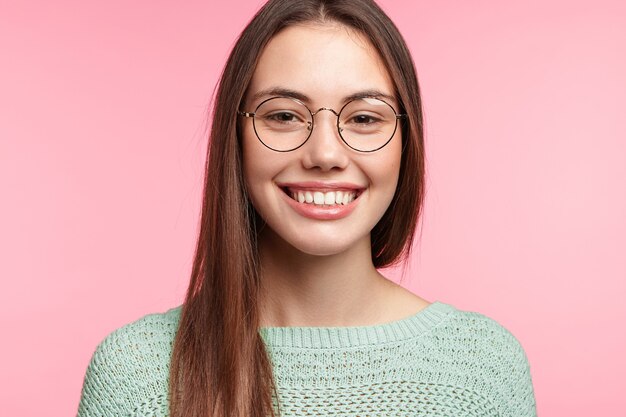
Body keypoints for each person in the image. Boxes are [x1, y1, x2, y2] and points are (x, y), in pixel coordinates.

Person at [77, 0, 537, 416]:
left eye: (363, 118)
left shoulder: (483, 370)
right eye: (283, 115)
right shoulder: (135, 375)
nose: (325, 154)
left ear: (407, 141)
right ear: (234, 139)